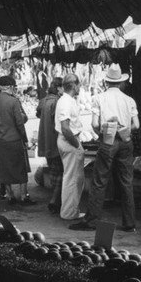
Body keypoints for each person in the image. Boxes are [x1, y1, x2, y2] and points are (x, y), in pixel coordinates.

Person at [69, 63, 139, 232]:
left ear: (107, 82)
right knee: (126, 181)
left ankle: (92, 220)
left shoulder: (99, 98)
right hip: (125, 140)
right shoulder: (129, 100)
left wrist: (103, 131)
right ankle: (129, 222)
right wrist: (123, 129)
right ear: (120, 82)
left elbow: (94, 124)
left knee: (100, 181)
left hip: (108, 140)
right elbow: (136, 125)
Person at [0, 75, 35, 206]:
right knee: (21, 168)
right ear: (11, 88)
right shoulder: (14, 102)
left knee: (5, 169)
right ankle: (23, 195)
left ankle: (10, 195)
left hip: (0, 141)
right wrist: (25, 139)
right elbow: (19, 123)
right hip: (15, 140)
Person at [54, 73, 86, 220]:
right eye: (79, 85)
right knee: (72, 179)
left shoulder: (68, 100)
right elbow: (65, 128)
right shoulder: (65, 102)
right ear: (73, 85)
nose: (80, 87)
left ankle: (70, 210)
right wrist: (76, 144)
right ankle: (69, 213)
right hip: (68, 141)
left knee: (73, 178)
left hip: (67, 140)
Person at [36, 77, 64, 214]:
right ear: (59, 88)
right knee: (60, 173)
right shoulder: (57, 102)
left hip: (45, 141)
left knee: (54, 171)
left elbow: (38, 112)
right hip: (55, 141)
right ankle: (54, 200)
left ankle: (55, 198)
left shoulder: (44, 101)